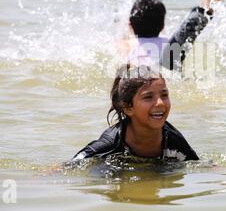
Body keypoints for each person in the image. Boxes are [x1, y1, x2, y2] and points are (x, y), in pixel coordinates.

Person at [69, 64, 199, 164]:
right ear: (128, 108)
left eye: (164, 95)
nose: (160, 103)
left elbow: (198, 165)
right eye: (148, 97)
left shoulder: (173, 139)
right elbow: (71, 165)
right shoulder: (111, 142)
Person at [125, 0, 226, 70]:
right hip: (166, 64)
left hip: (142, 76)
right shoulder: (167, 41)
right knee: (188, 29)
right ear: (163, 26)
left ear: (130, 25)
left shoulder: (128, 45)